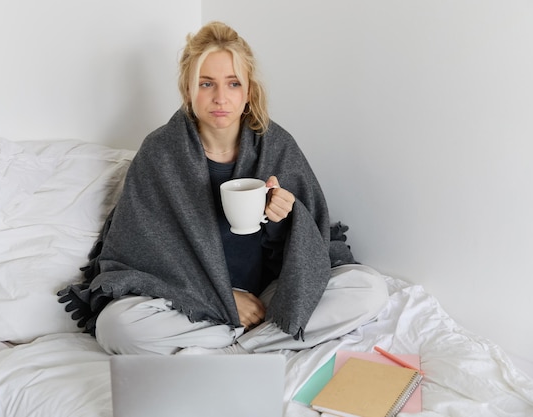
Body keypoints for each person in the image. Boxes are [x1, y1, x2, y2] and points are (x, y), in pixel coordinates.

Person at [58, 21, 388, 355]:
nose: (220, 97)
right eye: (206, 84)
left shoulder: (276, 147)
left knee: (368, 288)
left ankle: (237, 349)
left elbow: (310, 248)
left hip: (266, 297)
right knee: (116, 326)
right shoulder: (160, 152)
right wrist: (224, 298)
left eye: (232, 83)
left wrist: (285, 216)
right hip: (193, 302)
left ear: (248, 92)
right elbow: (143, 255)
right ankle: (256, 341)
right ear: (188, 90)